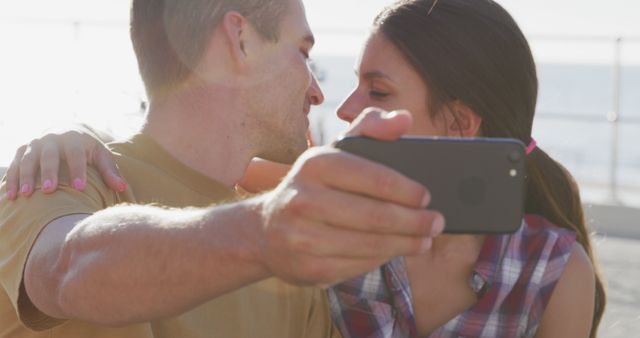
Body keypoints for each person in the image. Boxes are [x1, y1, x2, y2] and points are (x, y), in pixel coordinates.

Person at [6, 0, 606, 337]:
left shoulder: (304, 255)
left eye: (372, 87)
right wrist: (266, 234)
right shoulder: (65, 179)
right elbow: (67, 269)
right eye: (305, 53)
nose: (324, 98)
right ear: (239, 40)